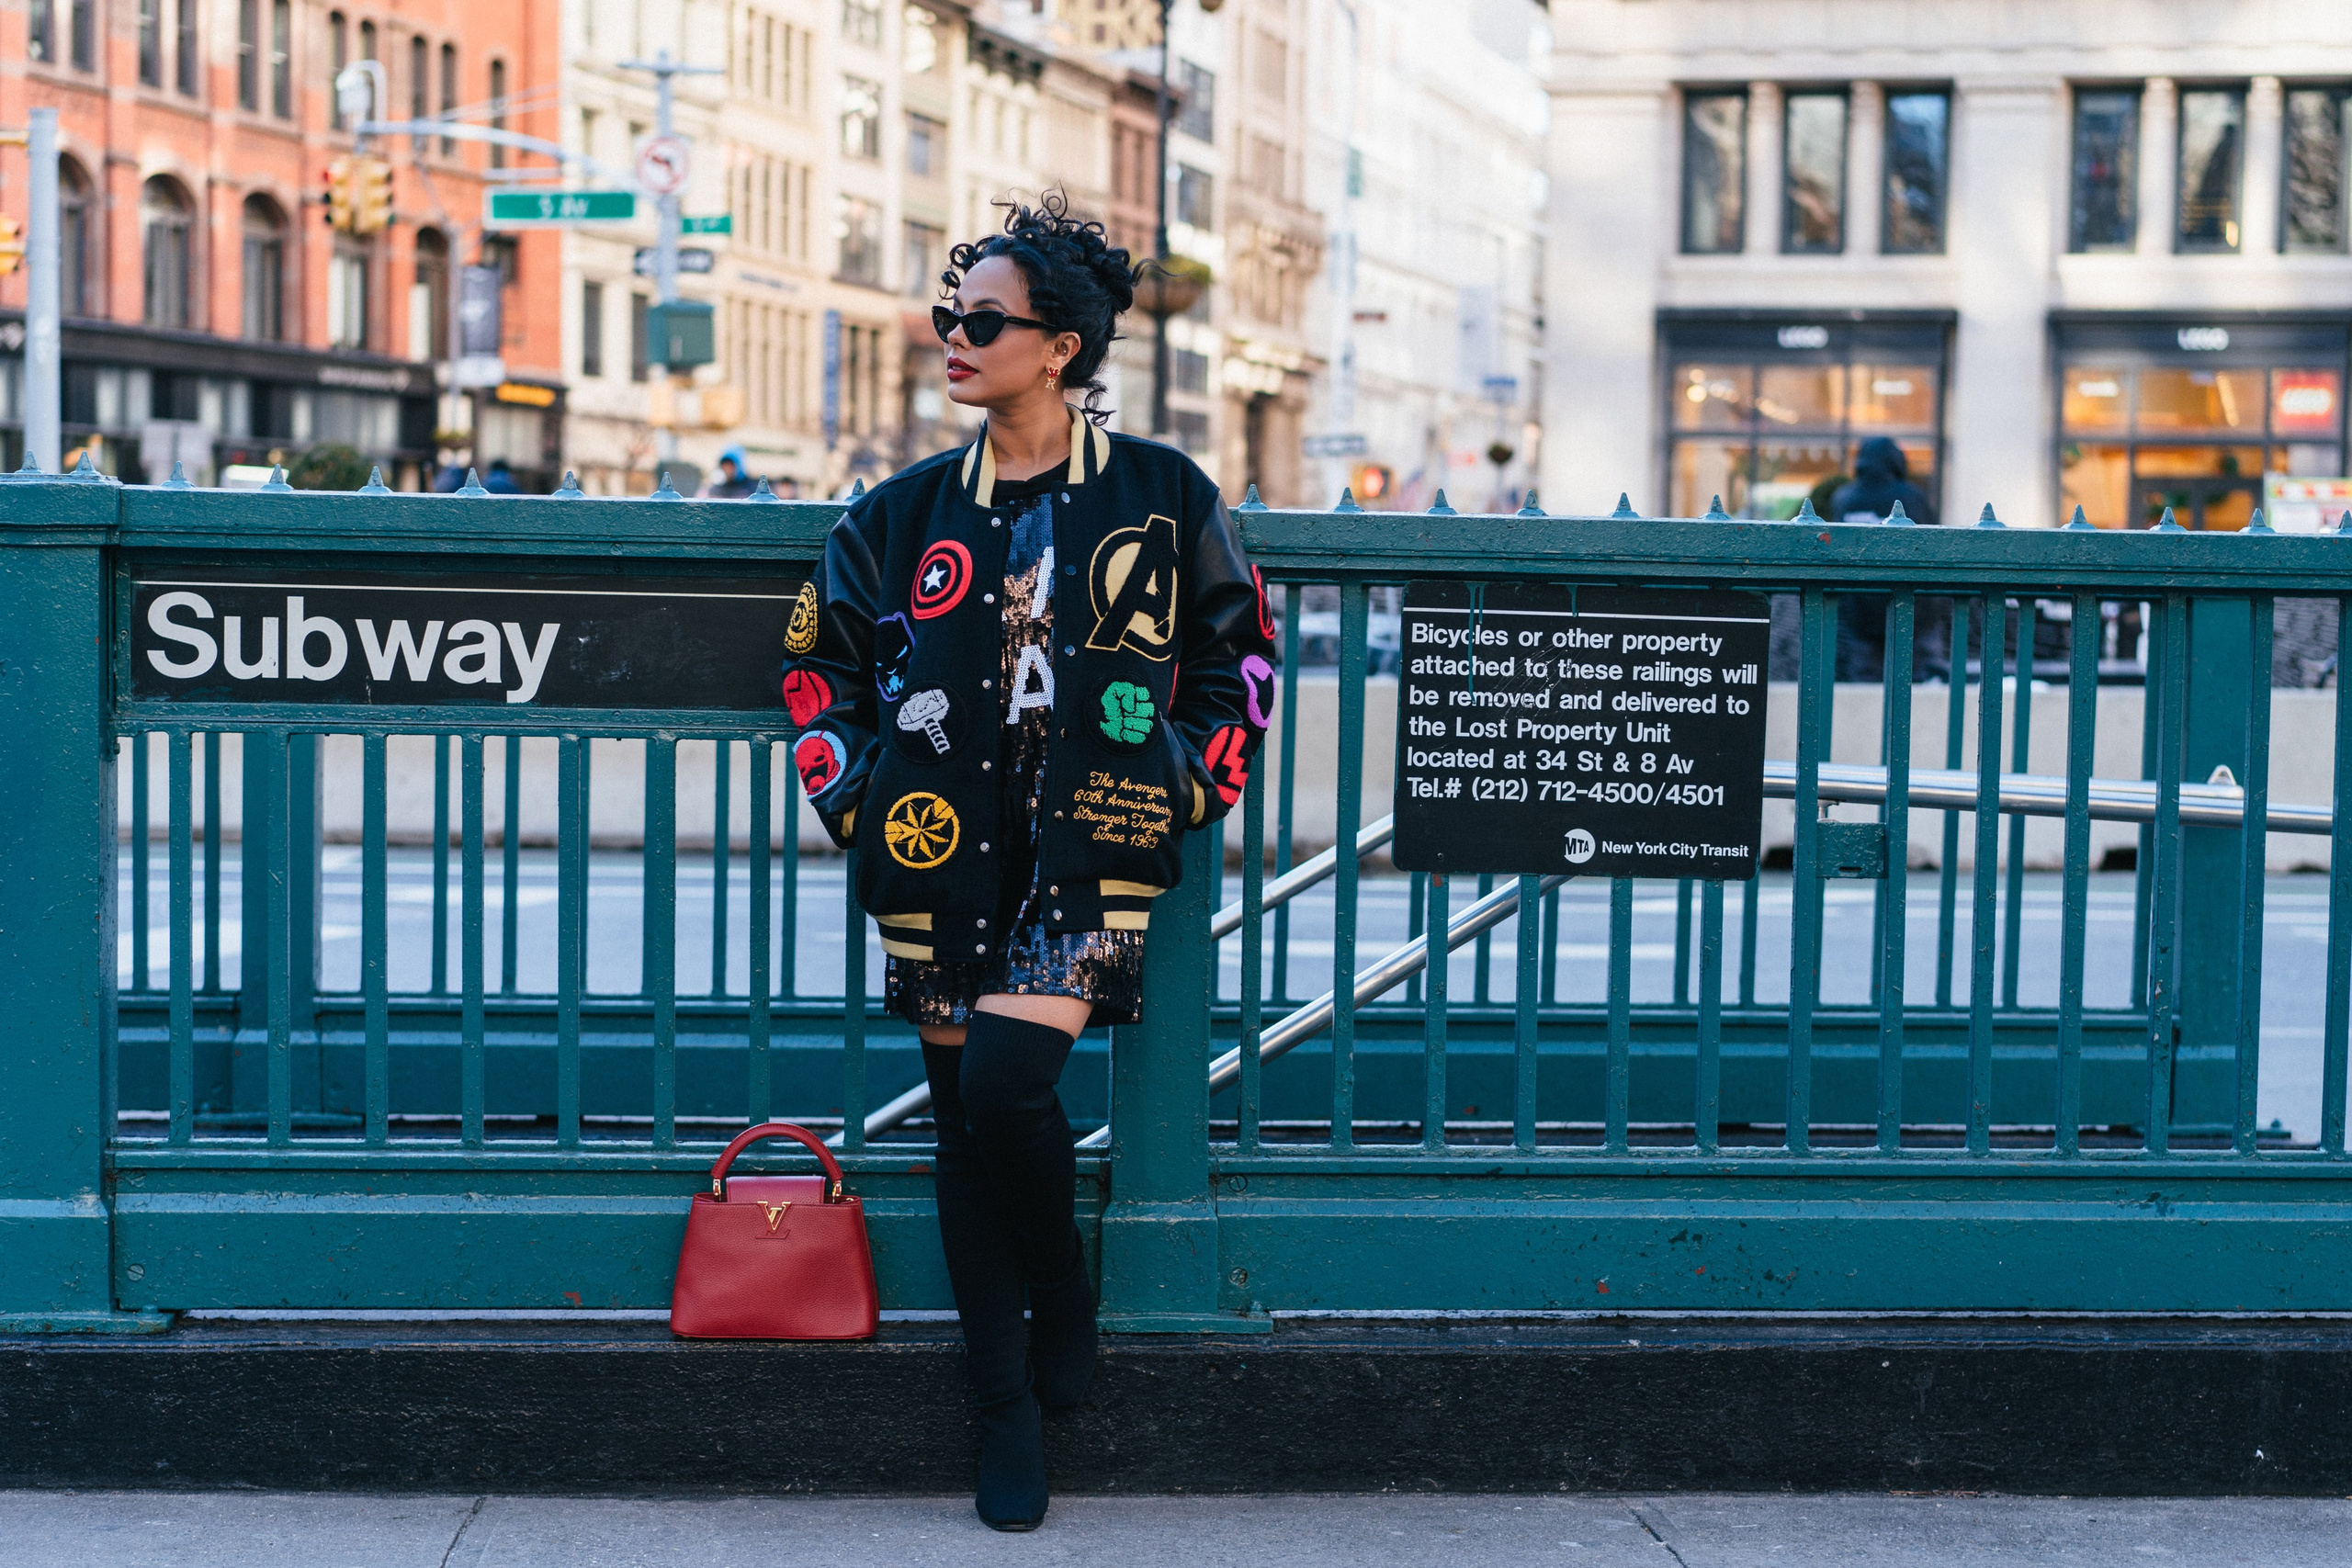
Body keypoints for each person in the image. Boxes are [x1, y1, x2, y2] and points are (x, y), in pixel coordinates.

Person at [779, 193, 1276, 1532]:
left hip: (1087, 857)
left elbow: (1244, 665)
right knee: (960, 1123)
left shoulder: (1166, 495)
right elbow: (814, 664)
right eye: (950, 314)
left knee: (1006, 1084)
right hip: (933, 860)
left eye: (982, 320)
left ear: (1058, 346)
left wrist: (1176, 785)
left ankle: (1065, 1284)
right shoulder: (899, 512)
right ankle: (1003, 1402)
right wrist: (864, 800)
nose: (954, 335)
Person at [1830, 436, 1943, 680]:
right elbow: (1934, 548)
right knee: (1914, 689)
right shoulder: (1910, 496)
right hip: (1911, 611)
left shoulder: (1844, 498)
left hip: (1859, 615)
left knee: (1866, 691)